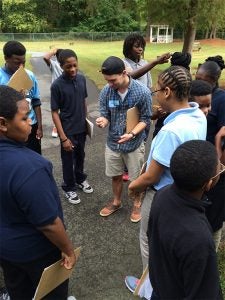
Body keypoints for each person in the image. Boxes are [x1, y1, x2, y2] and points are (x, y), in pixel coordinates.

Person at [125, 65, 207, 293]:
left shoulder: (171, 131)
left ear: (168, 92)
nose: (156, 94)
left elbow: (152, 175)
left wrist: (133, 186)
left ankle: (148, 289)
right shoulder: (198, 114)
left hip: (161, 195)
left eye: (157, 90)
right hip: (184, 193)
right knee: (167, 244)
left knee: (149, 242)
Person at [0, 85, 76, 300]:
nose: (31, 123)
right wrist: (68, 250)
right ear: (3, 123)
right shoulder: (31, 167)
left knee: (18, 290)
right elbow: (49, 223)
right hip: (36, 252)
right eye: (24, 119)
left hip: (6, 249)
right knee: (51, 293)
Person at [148, 140, 224, 300]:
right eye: (219, 170)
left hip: (160, 288)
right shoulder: (198, 237)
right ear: (208, 184)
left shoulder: (162, 194)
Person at [96, 56, 152, 223]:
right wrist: (103, 120)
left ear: (124, 73)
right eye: (107, 80)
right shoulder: (106, 91)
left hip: (134, 143)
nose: (110, 84)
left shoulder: (142, 92)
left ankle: (137, 202)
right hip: (113, 143)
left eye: (113, 80)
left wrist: (132, 134)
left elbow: (146, 118)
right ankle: (116, 202)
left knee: (136, 178)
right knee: (115, 175)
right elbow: (105, 114)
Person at [122, 33, 170, 181]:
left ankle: (137, 164)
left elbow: (149, 86)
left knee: (144, 134)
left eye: (142, 45)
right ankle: (126, 168)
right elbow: (132, 76)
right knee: (131, 134)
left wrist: (154, 103)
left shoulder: (144, 63)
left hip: (145, 105)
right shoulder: (123, 63)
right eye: (136, 46)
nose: (140, 48)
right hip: (131, 106)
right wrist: (155, 62)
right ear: (129, 48)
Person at [51, 49, 93, 205]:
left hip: (81, 128)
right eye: (68, 67)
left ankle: (80, 178)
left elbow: (83, 101)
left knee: (81, 155)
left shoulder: (82, 79)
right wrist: (63, 138)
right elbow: (55, 112)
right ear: (61, 66)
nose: (73, 69)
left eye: (75, 65)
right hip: (67, 130)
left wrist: (86, 120)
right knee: (68, 160)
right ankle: (69, 187)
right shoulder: (57, 85)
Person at [196, 59, 225, 251]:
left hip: (216, 169)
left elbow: (222, 135)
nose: (196, 81)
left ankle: (210, 256)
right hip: (199, 164)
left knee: (214, 217)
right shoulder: (197, 95)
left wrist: (218, 170)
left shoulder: (221, 100)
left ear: (214, 80)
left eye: (201, 79)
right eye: (195, 77)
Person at [0, 40, 42, 154]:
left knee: (34, 157)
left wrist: (39, 126)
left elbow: (36, 101)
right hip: (10, 131)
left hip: (31, 126)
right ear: (6, 58)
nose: (21, 66)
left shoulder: (29, 75)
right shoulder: (1, 77)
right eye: (17, 62)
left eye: (23, 62)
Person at [43, 48, 63, 138]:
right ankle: (55, 128)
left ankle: (63, 127)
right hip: (56, 92)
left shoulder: (67, 66)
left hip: (66, 92)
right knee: (55, 110)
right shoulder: (54, 65)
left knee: (65, 110)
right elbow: (45, 57)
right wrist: (54, 51)